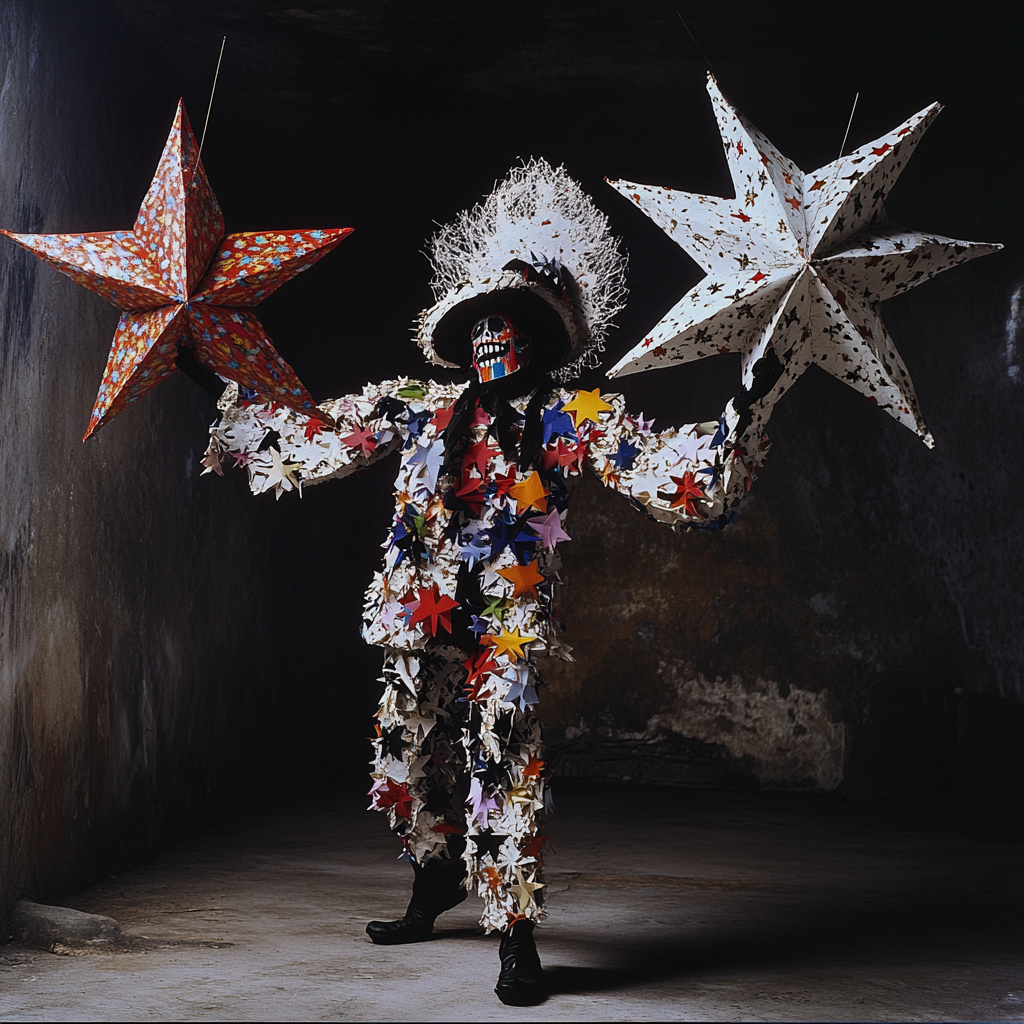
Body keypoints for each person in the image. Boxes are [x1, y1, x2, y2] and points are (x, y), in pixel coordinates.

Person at [205, 159, 768, 1005]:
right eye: (478, 321)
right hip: (418, 614)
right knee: (400, 761)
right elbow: (314, 440)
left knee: (504, 760)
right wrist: (205, 375)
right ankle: (436, 877)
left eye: (508, 320)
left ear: (540, 336)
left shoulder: (571, 416)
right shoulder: (414, 405)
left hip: (505, 621)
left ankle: (513, 932)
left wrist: (751, 400)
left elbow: (670, 472)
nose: (490, 333)